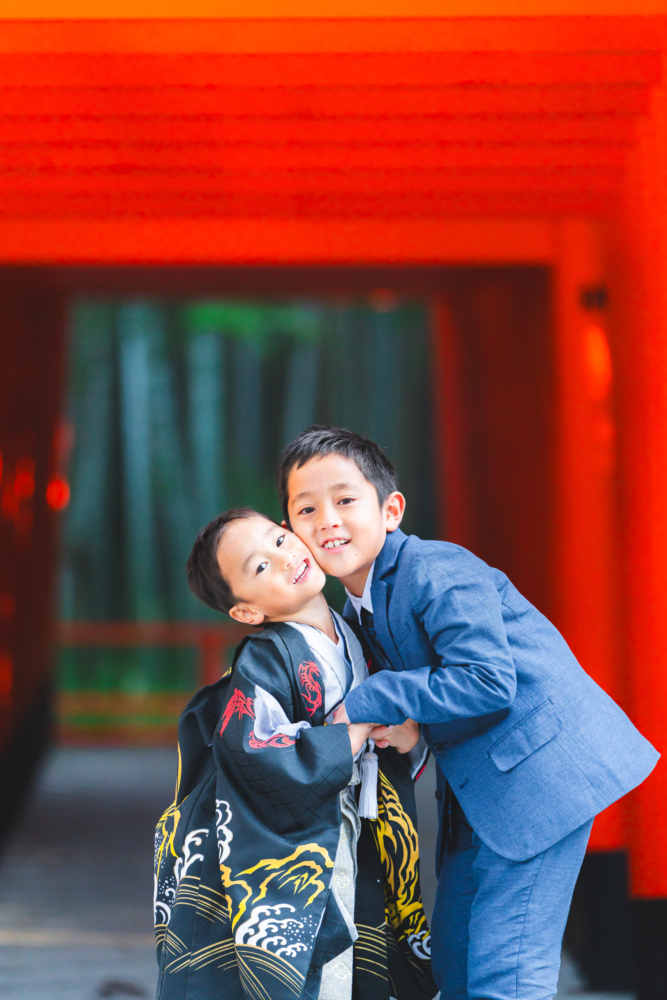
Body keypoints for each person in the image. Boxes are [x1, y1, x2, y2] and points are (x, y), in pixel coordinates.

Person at [277, 424, 660, 1000]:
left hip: (537, 780)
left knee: (505, 976)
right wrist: (411, 731)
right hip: (479, 793)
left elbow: (488, 681)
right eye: (307, 508)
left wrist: (375, 700)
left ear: (391, 510)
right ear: (289, 532)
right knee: (452, 964)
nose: (327, 519)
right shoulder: (358, 606)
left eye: (346, 500)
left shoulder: (437, 569)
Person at [154, 507, 437, 1000]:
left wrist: (405, 738)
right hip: (312, 839)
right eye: (259, 567)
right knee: (321, 972)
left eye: (278, 541)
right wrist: (355, 731)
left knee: (357, 966)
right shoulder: (267, 657)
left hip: (354, 826)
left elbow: (389, 728)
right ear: (245, 611)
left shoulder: (357, 631)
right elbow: (255, 750)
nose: (284, 559)